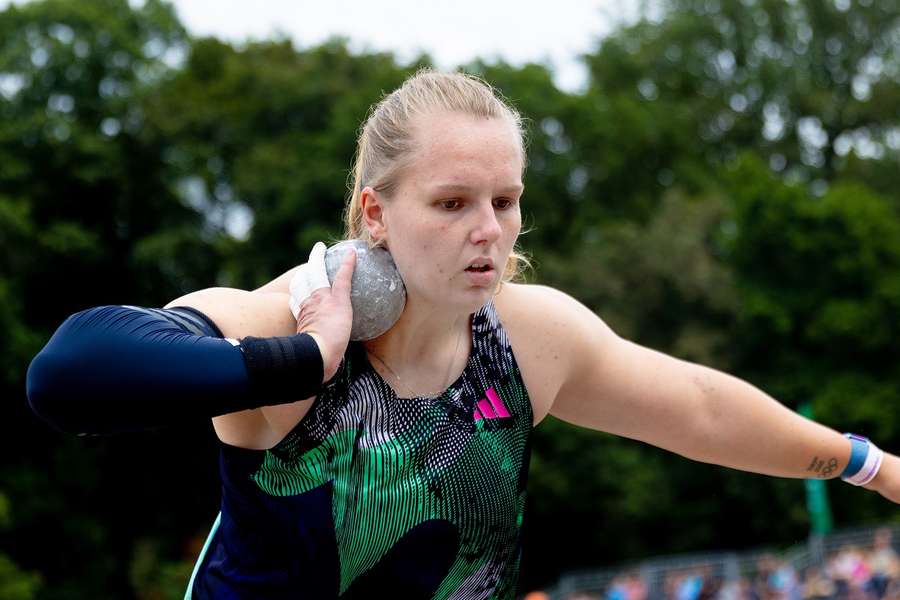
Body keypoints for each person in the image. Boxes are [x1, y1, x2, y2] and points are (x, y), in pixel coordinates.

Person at [25, 69, 900, 599]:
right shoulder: (293, 316)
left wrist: (874, 466)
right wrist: (305, 357)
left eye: (505, 201)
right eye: (452, 203)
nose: (489, 228)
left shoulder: (530, 339)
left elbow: (702, 410)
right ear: (376, 212)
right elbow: (69, 373)